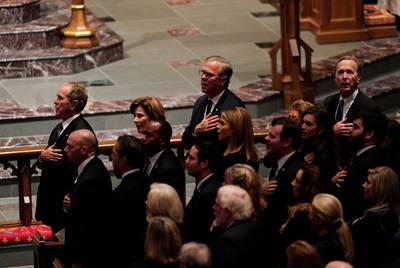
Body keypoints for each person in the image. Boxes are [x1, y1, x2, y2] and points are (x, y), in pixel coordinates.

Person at [35, 82, 97, 235]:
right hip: (54, 203)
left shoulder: (81, 132)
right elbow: (49, 157)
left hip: (66, 205)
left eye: (60, 98)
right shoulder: (60, 127)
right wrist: (42, 157)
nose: (55, 101)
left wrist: (72, 196)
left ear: (73, 104)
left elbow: (80, 168)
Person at [63, 129, 112, 267]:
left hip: (86, 253)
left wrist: (78, 259)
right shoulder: (86, 167)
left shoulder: (91, 178)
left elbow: (87, 223)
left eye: (70, 146)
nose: (65, 149)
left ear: (84, 150)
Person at [331, 109, 388, 221]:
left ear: (369, 134)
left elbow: (353, 200)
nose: (350, 130)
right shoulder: (361, 152)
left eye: (356, 127)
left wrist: (334, 183)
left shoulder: (370, 163)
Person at [261, 117, 303, 266]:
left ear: (287, 142)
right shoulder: (280, 163)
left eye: (272, 136)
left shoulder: (295, 170)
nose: (266, 138)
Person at [323, 56, 379, 164]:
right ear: (335, 77)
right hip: (331, 163)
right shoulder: (329, 102)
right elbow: (323, 130)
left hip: (355, 163)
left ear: (358, 77)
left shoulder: (368, 107)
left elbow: (372, 143)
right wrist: (332, 131)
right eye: (340, 72)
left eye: (349, 72)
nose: (344, 77)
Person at [182, 55, 245, 150]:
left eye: (209, 75)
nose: (203, 77)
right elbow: (186, 142)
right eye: (203, 73)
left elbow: (235, 145)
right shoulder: (200, 102)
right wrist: (196, 131)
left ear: (223, 80)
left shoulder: (234, 108)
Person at [109, 135, 150, 266]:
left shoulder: (118, 195)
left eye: (114, 154)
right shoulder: (152, 184)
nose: (111, 158)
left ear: (123, 160)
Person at [350, 166, 400, 268]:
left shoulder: (372, 221)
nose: (363, 185)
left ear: (380, 189)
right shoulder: (391, 212)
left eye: (368, 183)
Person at [211, 185, 265, 268]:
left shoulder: (228, 241)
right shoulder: (256, 228)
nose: (213, 208)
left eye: (217, 205)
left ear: (228, 211)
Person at [183, 141, 223, 244]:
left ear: (204, 163)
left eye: (191, 158)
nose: (186, 161)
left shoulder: (208, 193)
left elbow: (200, 232)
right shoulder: (205, 185)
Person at [141, 120, 186, 202]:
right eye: (143, 134)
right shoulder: (147, 158)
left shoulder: (170, 169)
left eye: (148, 135)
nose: (143, 138)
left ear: (162, 140)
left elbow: (169, 204)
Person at [309, 193, 354, 265]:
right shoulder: (338, 240)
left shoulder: (321, 250)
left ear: (319, 220)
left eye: (311, 213)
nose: (309, 217)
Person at [300, 105, 338, 181]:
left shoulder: (327, 154)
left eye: (308, 124)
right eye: (303, 122)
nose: (302, 127)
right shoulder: (304, 143)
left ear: (321, 129)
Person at [217, 106, 259, 173]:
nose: (217, 126)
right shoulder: (222, 150)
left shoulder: (237, 161)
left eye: (222, 123)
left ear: (235, 129)